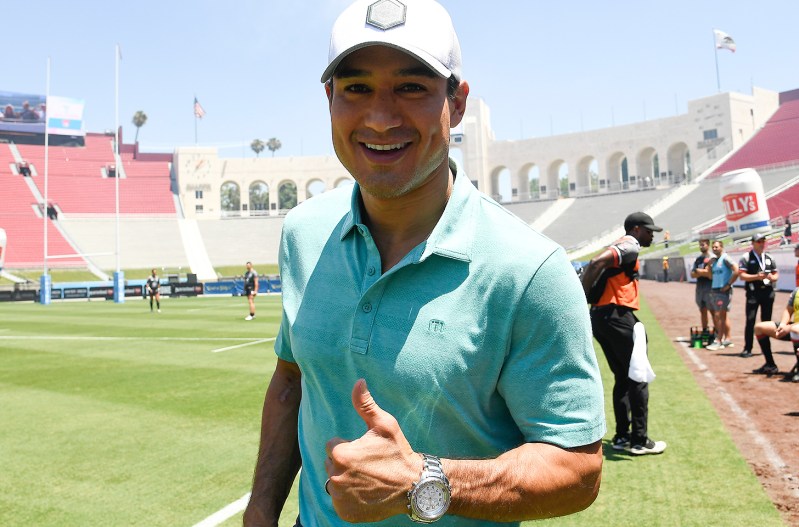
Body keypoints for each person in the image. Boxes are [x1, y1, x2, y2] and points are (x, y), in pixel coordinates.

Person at [244, 1, 605, 525]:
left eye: (412, 87)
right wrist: (260, 511)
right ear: (329, 99)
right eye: (357, 87)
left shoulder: (530, 270)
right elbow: (291, 379)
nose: (381, 116)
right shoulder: (303, 232)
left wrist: (424, 480)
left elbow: (577, 469)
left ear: (456, 104)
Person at [582, 212, 666, 457]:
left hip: (602, 317)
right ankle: (639, 440)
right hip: (617, 316)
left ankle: (621, 436)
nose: (652, 234)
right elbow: (596, 263)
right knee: (638, 377)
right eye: (649, 230)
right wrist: (579, 297)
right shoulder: (630, 244)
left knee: (622, 376)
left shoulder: (624, 245)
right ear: (637, 229)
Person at [738, 233, 779, 358]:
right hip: (753, 293)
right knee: (750, 321)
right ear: (753, 243)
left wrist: (772, 278)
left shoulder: (769, 257)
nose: (761, 244)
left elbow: (776, 275)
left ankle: (765, 350)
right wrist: (756, 276)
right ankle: (747, 348)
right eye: (759, 242)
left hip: (768, 293)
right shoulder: (746, 257)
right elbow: (742, 275)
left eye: (763, 241)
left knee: (766, 322)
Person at [752, 287, 799, 380]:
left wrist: (789, 328)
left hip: (795, 329)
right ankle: (770, 365)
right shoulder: (797, 291)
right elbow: (788, 310)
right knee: (760, 328)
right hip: (794, 327)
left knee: (794, 330)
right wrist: (782, 324)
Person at [705, 240, 739, 351]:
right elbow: (710, 277)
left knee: (718, 315)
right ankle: (727, 339)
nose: (714, 249)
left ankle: (718, 340)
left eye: (716, 247)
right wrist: (709, 266)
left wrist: (728, 284)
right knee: (722, 315)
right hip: (715, 289)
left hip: (723, 291)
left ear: (722, 247)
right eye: (713, 247)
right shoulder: (714, 261)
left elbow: (736, 270)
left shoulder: (725, 258)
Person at [690, 238, 713, 336]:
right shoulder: (698, 259)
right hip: (700, 287)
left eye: (703, 244)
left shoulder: (712, 257)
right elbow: (692, 274)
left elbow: (710, 274)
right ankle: (705, 329)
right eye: (700, 245)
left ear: (708, 245)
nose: (701, 246)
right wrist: (702, 272)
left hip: (710, 287)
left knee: (713, 311)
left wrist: (700, 272)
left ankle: (718, 332)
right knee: (702, 310)